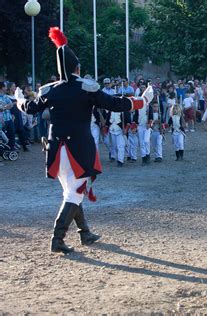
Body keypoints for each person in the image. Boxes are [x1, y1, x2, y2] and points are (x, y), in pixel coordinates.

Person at [14, 27, 147, 254]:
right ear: (77, 67)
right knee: (74, 193)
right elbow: (114, 104)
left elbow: (29, 107)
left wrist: (18, 99)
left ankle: (84, 233)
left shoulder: (50, 90)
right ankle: (57, 239)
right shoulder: (86, 87)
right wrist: (140, 102)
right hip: (78, 148)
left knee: (72, 191)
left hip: (56, 149)